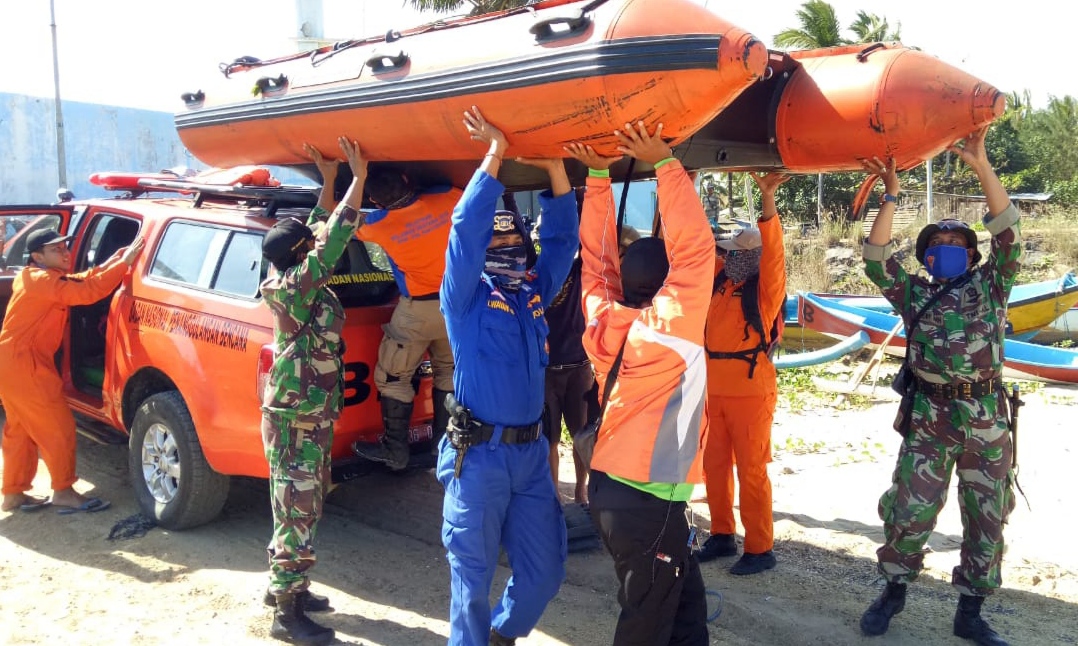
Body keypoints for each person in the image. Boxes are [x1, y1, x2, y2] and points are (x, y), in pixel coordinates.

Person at [857, 126, 1019, 646]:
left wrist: (981, 165)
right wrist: (891, 195)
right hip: (931, 419)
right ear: (926, 257)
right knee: (909, 509)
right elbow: (876, 258)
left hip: (988, 418)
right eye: (938, 245)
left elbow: (1008, 233)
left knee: (987, 516)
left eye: (957, 245)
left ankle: (970, 611)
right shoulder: (911, 293)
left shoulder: (993, 288)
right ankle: (893, 590)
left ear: (972, 256)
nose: (948, 250)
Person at [566, 121, 714, 646]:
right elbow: (696, 250)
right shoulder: (673, 326)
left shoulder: (603, 319)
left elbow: (595, 259)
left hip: (619, 493)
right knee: (647, 624)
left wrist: (600, 176)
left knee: (686, 608)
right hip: (646, 499)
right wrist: (665, 163)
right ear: (668, 281)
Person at [437, 106, 576, 646]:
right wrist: (494, 154)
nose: (510, 254)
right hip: (479, 460)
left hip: (530, 458)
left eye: (515, 245)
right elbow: (465, 232)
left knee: (545, 574)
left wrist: (556, 171)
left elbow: (562, 246)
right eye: (499, 249)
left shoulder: (532, 295)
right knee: (470, 583)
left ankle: (501, 636)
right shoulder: (464, 301)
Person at [258, 136, 367, 646]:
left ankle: (291, 589)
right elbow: (333, 237)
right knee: (297, 510)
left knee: (301, 504)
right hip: (297, 414)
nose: (312, 242)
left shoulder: (285, 270)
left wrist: (327, 181)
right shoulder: (297, 285)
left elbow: (314, 231)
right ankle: (285, 612)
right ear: (300, 257)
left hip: (305, 411)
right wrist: (357, 178)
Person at [0, 228, 143, 515]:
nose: (65, 252)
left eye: (65, 246)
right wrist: (124, 264)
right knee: (58, 428)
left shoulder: (38, 277)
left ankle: (14, 494)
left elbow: (80, 280)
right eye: (56, 250)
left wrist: (114, 261)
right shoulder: (41, 280)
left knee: (21, 430)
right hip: (25, 365)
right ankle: (63, 492)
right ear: (37, 256)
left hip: (13, 363)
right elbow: (85, 292)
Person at [695, 172, 789, 575]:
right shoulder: (720, 283)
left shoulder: (764, 291)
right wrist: (686, 184)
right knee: (713, 466)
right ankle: (721, 533)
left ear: (751, 258)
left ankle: (759, 548)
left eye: (736, 253)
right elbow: (694, 244)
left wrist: (768, 201)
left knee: (751, 470)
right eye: (728, 252)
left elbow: (774, 257)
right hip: (713, 391)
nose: (729, 256)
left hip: (751, 394)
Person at [344, 165, 461, 470]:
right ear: (409, 179)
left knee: (393, 377)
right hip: (454, 307)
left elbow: (340, 220)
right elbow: (449, 186)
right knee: (448, 373)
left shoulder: (378, 225)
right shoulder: (448, 199)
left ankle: (396, 450)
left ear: (377, 203)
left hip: (416, 312)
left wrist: (339, 178)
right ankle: (444, 447)